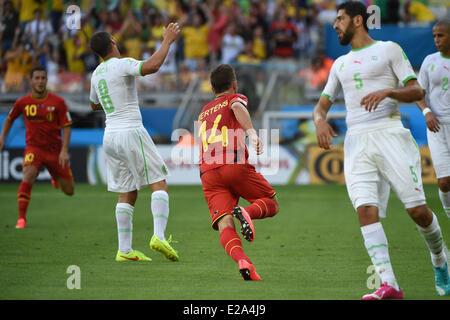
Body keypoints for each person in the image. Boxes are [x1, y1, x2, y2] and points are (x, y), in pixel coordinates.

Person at [313, 1, 450, 299]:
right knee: (365, 209)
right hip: (357, 142)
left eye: (340, 19)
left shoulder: (389, 49)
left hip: (389, 134)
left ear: (358, 21)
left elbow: (417, 91)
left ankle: (440, 259)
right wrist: (319, 122)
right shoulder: (339, 64)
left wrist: (389, 91)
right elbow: (320, 107)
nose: (335, 25)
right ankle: (390, 285)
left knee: (418, 212)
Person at [89, 24, 180, 263]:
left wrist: (112, 102)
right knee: (159, 184)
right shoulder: (122, 64)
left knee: (126, 193)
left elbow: (93, 104)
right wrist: (167, 41)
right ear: (112, 42)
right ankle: (159, 236)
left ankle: (125, 250)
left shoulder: (96, 74)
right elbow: (152, 66)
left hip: (110, 136)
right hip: (130, 131)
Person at [198, 64, 279, 281]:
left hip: (208, 172)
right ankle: (248, 213)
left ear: (212, 88)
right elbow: (236, 106)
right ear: (234, 84)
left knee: (225, 222)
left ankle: (244, 261)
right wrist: (252, 133)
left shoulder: (204, 111)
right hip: (232, 163)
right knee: (270, 202)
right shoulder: (234, 98)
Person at [0, 66, 74, 229]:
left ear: (47, 80)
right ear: (31, 80)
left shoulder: (58, 102)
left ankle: (55, 177)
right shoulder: (22, 102)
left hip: (55, 151)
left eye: (43, 78)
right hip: (34, 149)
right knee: (28, 174)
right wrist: (2, 137)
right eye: (37, 78)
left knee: (69, 191)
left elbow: (67, 125)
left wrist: (64, 150)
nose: (40, 81)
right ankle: (21, 219)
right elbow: (10, 118)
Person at [416, 20, 450, 220]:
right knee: (445, 182)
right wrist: (427, 111)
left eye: (441, 35)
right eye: (434, 36)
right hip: (437, 127)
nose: (436, 40)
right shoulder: (430, 61)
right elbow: (418, 92)